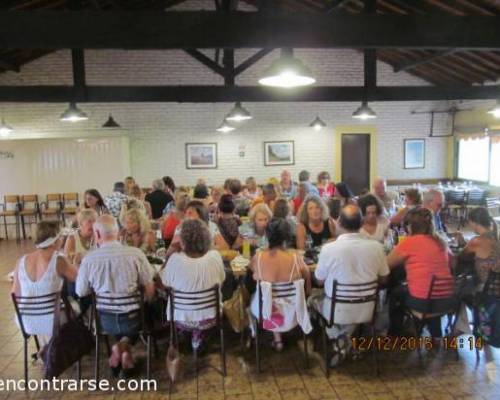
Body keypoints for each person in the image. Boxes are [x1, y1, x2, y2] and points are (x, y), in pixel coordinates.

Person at [76, 215, 156, 375]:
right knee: (147, 312)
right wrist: (147, 300)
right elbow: (150, 287)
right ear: (118, 232)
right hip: (134, 319)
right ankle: (124, 349)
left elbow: (81, 291)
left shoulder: (89, 260)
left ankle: (119, 348)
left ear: (97, 234)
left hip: (105, 321)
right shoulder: (135, 254)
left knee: (117, 315)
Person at [310, 205, 389, 363]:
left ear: (339, 223)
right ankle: (347, 340)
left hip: (336, 310)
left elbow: (319, 280)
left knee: (311, 300)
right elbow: (384, 279)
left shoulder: (328, 249)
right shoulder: (377, 247)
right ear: (361, 223)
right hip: (368, 310)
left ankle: (338, 340)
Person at [387, 208, 454, 339]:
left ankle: (395, 334)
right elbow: (453, 263)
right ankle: (434, 333)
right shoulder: (441, 242)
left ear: (409, 227)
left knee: (396, 293)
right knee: (429, 288)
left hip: (424, 303)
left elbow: (387, 264)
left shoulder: (409, 242)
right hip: (447, 301)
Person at [161, 219, 225, 351]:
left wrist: (169, 254)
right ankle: (198, 336)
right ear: (207, 238)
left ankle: (187, 334)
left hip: (181, 319)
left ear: (182, 241)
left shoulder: (175, 260)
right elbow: (222, 280)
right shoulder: (215, 257)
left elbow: (164, 283)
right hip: (210, 317)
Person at [250, 219, 312, 351]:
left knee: (260, 296)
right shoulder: (295, 258)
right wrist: (307, 291)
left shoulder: (259, 257)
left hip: (266, 313)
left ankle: (276, 339)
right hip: (293, 312)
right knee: (275, 299)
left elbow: (254, 275)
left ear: (268, 236)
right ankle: (281, 336)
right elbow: (307, 274)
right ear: (288, 237)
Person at [12, 221, 78, 342]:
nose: (63, 238)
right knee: (80, 304)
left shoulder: (21, 261)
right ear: (54, 241)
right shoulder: (59, 260)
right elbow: (79, 279)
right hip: (52, 320)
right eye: (61, 235)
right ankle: (62, 348)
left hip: (26, 321)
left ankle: (46, 350)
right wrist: (75, 263)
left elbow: (16, 295)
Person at [457, 207, 499, 292]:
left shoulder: (477, 241)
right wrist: (464, 243)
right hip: (496, 285)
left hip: (486, 288)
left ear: (474, 222)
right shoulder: (496, 236)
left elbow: (461, 256)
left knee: (459, 283)